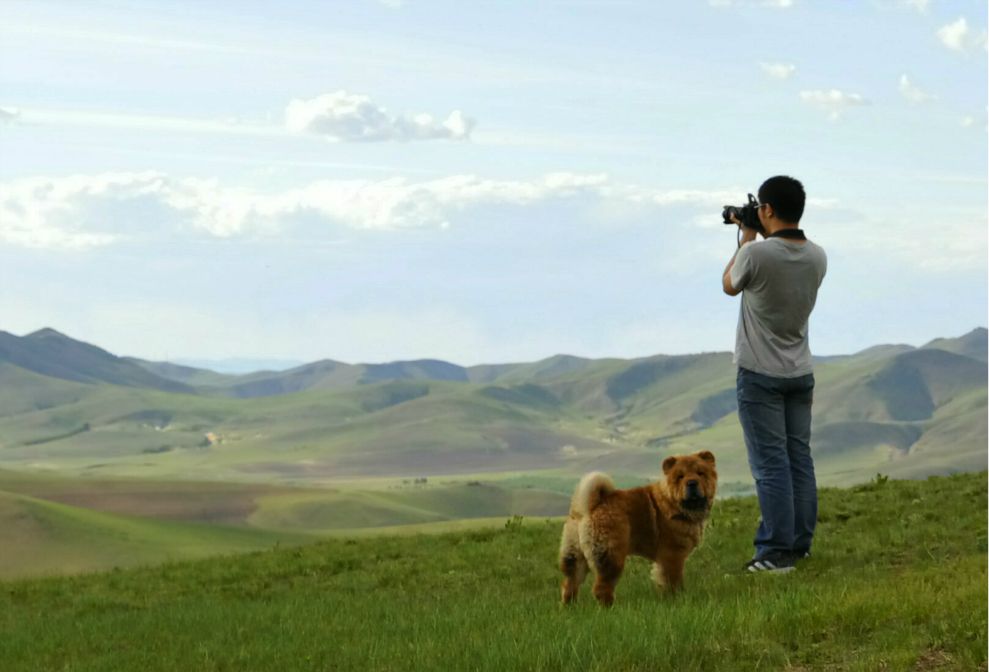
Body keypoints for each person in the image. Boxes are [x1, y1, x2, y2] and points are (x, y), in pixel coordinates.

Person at [721, 175, 827, 573]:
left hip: (759, 372)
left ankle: (775, 552)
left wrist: (746, 235)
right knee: (799, 458)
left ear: (766, 210)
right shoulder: (818, 256)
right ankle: (800, 544)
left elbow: (730, 284)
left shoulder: (757, 254)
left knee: (769, 465)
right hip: (800, 369)